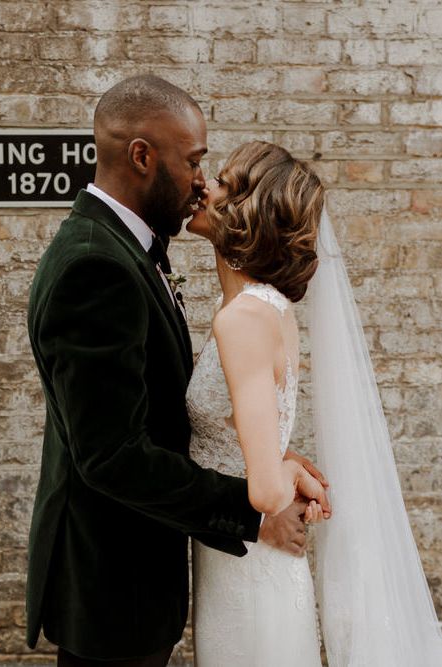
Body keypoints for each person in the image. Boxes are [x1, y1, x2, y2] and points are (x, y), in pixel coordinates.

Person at [25, 75, 329, 667]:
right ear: (142, 156)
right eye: (194, 162)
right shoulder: (97, 265)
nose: (200, 181)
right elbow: (111, 454)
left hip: (145, 575)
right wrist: (253, 513)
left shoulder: (128, 251)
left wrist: (274, 464)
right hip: (113, 580)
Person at [186, 140, 442, 665]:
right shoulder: (257, 308)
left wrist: (283, 469)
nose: (203, 186)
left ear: (248, 212)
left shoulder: (245, 319)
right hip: (237, 563)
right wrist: (292, 464)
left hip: (250, 576)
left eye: (224, 184)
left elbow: (260, 491)